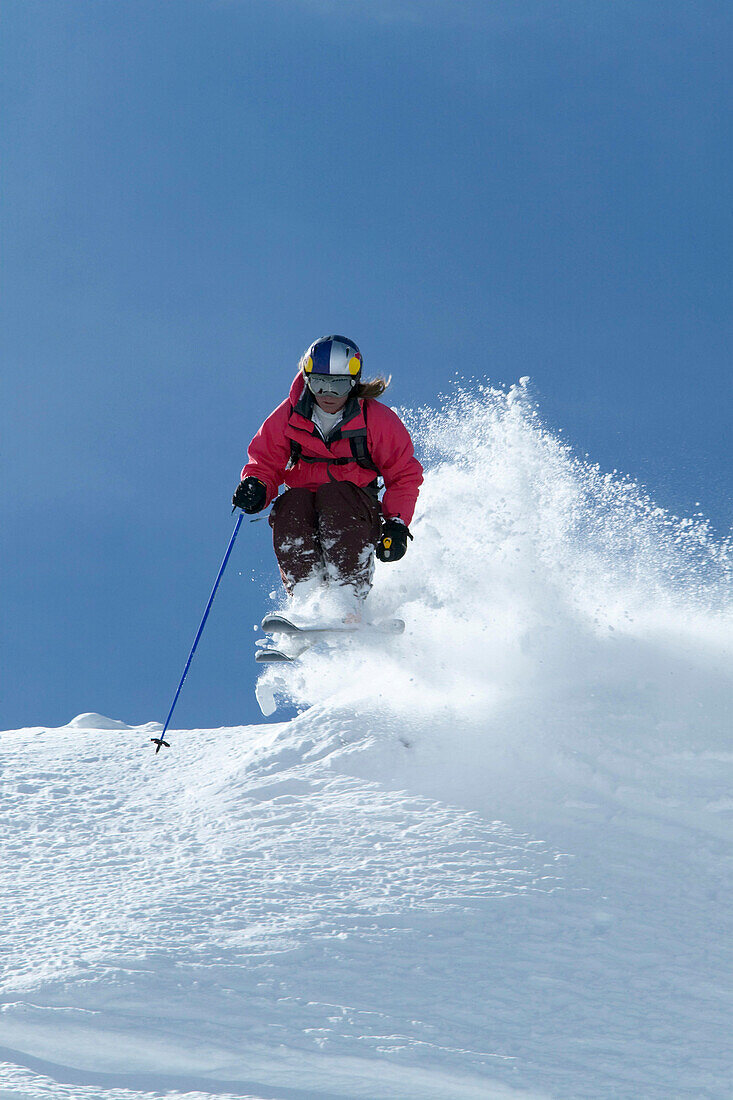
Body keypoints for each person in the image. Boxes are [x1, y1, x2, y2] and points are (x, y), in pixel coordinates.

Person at [233, 335, 423, 619]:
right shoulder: (289, 416)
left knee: (335, 495)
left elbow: (403, 474)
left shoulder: (376, 420)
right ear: (307, 378)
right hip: (306, 509)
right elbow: (265, 461)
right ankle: (307, 598)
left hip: (354, 511)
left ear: (354, 382)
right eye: (320, 382)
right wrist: (256, 486)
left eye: (339, 384)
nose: (329, 394)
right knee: (291, 502)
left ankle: (347, 596)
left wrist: (396, 523)